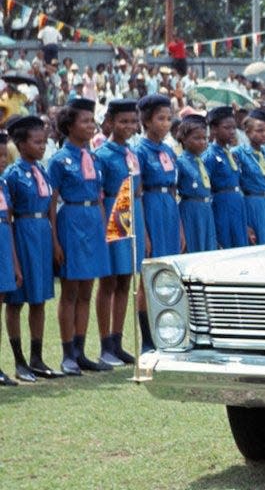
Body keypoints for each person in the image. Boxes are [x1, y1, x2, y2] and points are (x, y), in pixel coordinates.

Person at [48, 98, 112, 374]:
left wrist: (103, 230)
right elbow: (50, 202)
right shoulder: (59, 160)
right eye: (84, 121)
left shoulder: (94, 158)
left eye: (92, 121)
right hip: (70, 220)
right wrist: (55, 240)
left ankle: (81, 350)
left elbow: (99, 197)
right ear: (69, 126)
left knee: (88, 289)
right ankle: (67, 354)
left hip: (93, 223)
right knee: (70, 291)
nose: (91, 126)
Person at [3, 116, 59, 382]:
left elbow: (50, 203)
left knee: (39, 299)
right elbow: (9, 216)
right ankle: (19, 360)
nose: (42, 147)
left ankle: (37, 357)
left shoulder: (42, 170)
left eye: (44, 142)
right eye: (36, 142)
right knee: (17, 301)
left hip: (42, 234)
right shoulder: (12, 175)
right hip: (22, 234)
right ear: (21, 144)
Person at [93, 99, 146, 366]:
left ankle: (117, 340)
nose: (128, 126)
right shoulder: (102, 154)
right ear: (110, 122)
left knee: (126, 279)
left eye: (132, 121)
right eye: (122, 121)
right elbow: (99, 193)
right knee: (109, 281)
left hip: (132, 215)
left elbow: (138, 190)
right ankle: (104, 345)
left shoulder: (133, 153)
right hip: (113, 214)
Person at [135, 93, 184, 351]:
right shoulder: (139, 152)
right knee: (148, 278)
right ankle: (146, 338)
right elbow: (138, 194)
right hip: (151, 207)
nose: (166, 124)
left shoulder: (168, 150)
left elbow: (174, 189)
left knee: (169, 275)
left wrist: (181, 228)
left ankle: (168, 332)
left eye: (168, 118)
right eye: (160, 119)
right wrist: (143, 232)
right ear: (146, 120)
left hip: (169, 209)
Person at [202, 106, 248, 249]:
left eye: (234, 128)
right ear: (214, 129)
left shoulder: (230, 154)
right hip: (221, 205)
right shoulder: (209, 156)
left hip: (237, 203)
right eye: (227, 128)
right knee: (226, 244)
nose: (232, 132)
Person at [235, 110, 265, 246]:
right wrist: (244, 222)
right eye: (259, 130)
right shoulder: (238, 153)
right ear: (247, 132)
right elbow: (237, 185)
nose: (264, 134)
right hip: (251, 203)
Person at [176, 115, 218, 253]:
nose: (202, 142)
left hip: (206, 210)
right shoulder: (181, 162)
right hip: (190, 210)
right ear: (183, 138)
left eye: (205, 138)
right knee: (194, 246)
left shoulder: (202, 162)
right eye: (197, 138)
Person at [0, 139, 23, 386]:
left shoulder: (3, 184)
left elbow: (9, 221)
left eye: (4, 156)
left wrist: (15, 264)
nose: (3, 162)